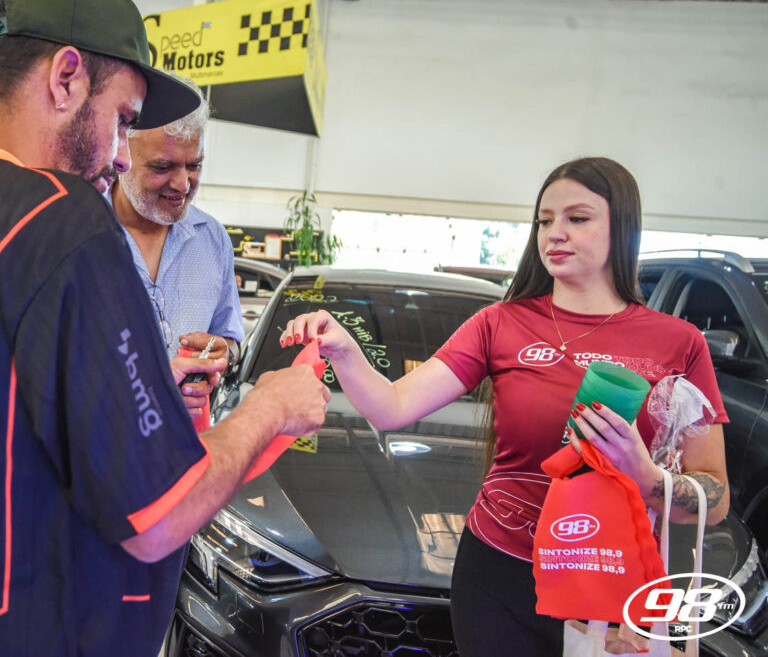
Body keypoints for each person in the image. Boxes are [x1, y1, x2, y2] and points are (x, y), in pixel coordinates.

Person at [0, 0, 329, 656]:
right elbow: (159, 512)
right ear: (65, 78)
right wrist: (272, 407)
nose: (123, 154)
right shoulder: (57, 218)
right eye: (123, 119)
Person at [280, 157, 729, 656]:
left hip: (607, 577)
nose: (555, 233)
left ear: (622, 228)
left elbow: (716, 500)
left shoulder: (678, 343)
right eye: (544, 220)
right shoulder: (500, 323)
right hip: (501, 571)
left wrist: (644, 476)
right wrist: (346, 350)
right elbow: (392, 406)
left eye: (577, 218)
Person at [110, 82, 243, 420]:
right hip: (100, 443)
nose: (183, 185)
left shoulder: (212, 240)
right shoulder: (77, 232)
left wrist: (221, 353)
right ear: (121, 154)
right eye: (162, 167)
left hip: (188, 441)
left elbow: (230, 342)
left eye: (194, 165)